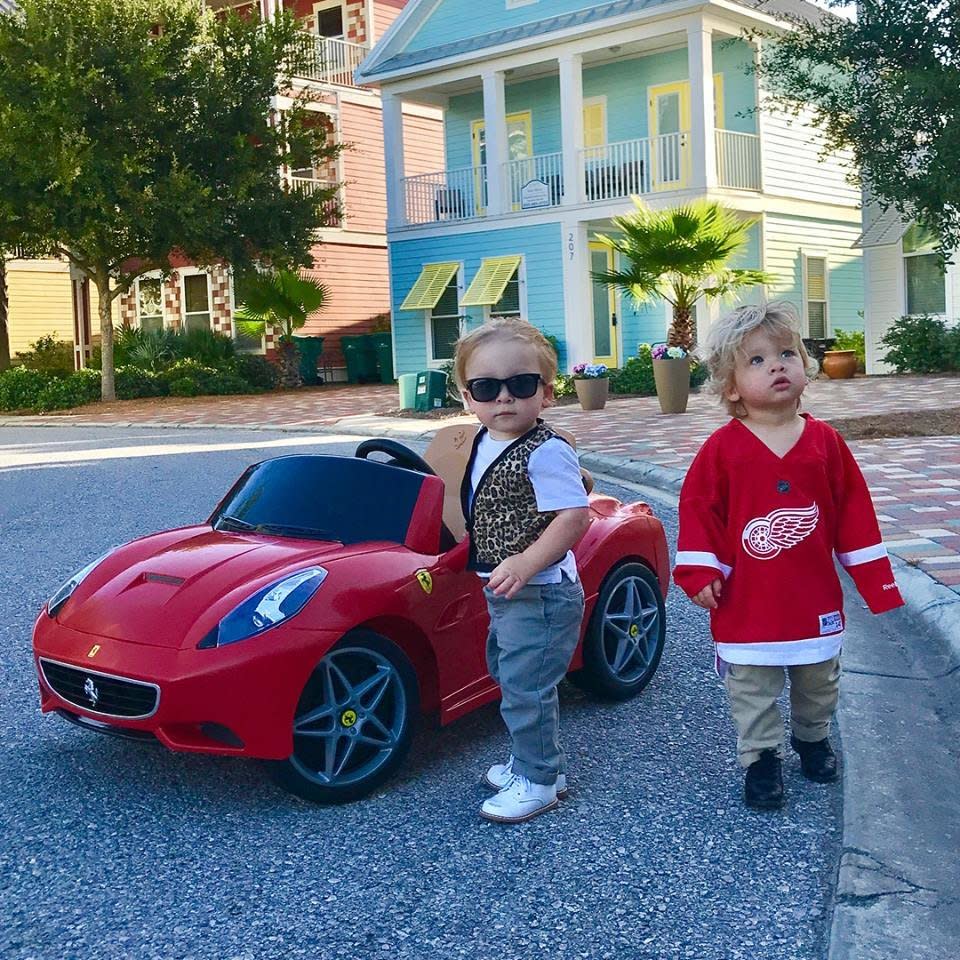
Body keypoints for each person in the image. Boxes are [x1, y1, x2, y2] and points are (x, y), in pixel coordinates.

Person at [673, 301, 904, 809]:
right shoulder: (722, 450)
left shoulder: (826, 442)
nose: (776, 365)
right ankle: (759, 758)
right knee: (752, 687)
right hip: (749, 602)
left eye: (785, 354)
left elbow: (854, 515)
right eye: (756, 360)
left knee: (818, 679)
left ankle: (812, 736)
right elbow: (699, 513)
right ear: (731, 386)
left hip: (812, 595)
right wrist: (700, 571)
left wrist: (876, 583)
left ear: (804, 368)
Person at [453, 317, 590, 824]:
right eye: (487, 387)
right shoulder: (484, 440)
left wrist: (529, 560)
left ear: (546, 392)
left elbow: (573, 517)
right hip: (509, 587)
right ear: (468, 396)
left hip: (541, 591)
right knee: (511, 675)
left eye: (521, 384)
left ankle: (538, 778)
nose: (504, 398)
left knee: (526, 685)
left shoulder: (545, 450)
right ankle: (534, 762)